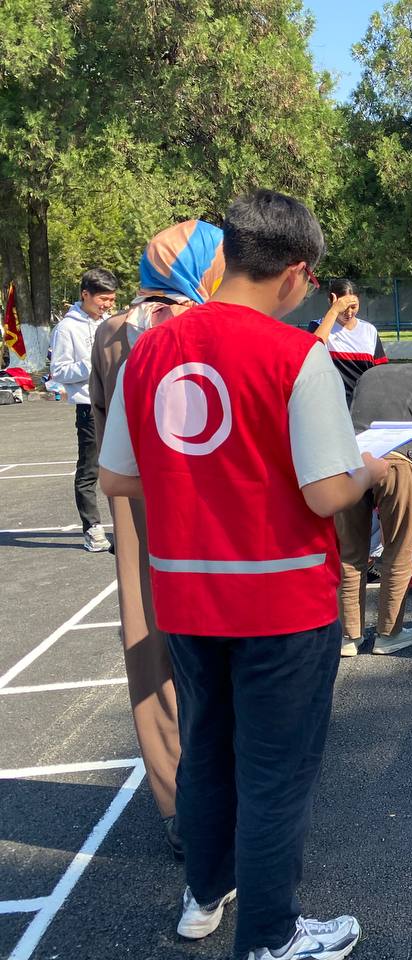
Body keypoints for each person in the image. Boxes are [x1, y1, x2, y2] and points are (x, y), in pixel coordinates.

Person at [98, 189, 378, 960]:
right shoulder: (297, 355)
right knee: (276, 773)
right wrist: (372, 467)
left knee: (209, 748)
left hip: (187, 595)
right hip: (282, 600)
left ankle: (204, 894)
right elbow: (326, 491)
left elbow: (117, 477)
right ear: (296, 274)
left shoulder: (149, 348)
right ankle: (270, 934)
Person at [89, 219, 226, 860]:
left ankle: (176, 805)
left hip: (136, 502)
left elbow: (100, 420)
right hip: (201, 500)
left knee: (147, 646)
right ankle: (225, 798)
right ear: (202, 269)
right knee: (219, 647)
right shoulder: (198, 326)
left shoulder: (112, 330)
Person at [337, 362, 412, 657]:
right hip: (397, 460)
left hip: (351, 457)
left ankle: (348, 636)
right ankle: (389, 635)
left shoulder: (367, 375)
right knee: (397, 550)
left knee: (350, 552)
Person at [50, 267, 117, 551]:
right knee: (90, 470)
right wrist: (94, 361)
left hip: (116, 403)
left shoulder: (111, 321)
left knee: (124, 466)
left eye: (112, 299)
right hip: (89, 407)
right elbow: (59, 371)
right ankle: (92, 528)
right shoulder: (67, 328)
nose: (107, 305)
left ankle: (125, 527)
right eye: (102, 299)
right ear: (85, 295)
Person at [309, 279, 387, 406]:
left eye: (353, 306)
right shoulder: (318, 327)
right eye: (344, 307)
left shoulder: (369, 330)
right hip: (330, 404)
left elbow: (380, 373)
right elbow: (311, 351)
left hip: (363, 405)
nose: (349, 312)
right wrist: (333, 312)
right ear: (331, 302)